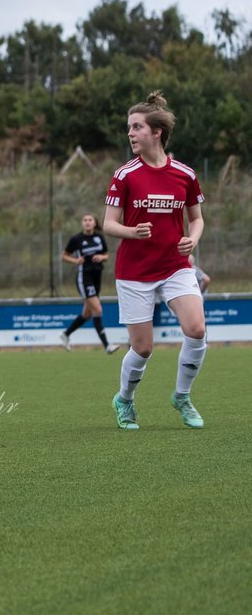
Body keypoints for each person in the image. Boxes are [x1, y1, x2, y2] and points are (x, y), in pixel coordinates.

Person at [103, 91, 207, 431]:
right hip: (134, 272)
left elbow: (197, 218)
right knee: (143, 349)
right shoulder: (125, 175)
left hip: (175, 266)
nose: (130, 134)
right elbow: (109, 223)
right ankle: (125, 400)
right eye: (129, 128)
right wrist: (132, 232)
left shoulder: (185, 175)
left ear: (156, 132)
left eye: (137, 127)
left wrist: (193, 239)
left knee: (196, 329)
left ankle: (182, 396)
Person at [58, 214, 119, 354]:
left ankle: (65, 334)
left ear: (94, 222)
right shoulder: (76, 239)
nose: (87, 222)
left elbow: (106, 254)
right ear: (82, 223)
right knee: (97, 309)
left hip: (97, 276)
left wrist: (102, 257)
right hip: (84, 278)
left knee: (87, 313)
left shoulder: (99, 237)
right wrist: (75, 261)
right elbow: (64, 255)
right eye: (84, 220)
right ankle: (107, 345)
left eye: (90, 220)